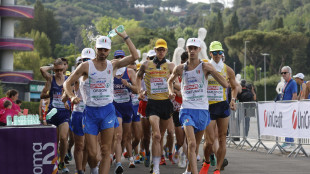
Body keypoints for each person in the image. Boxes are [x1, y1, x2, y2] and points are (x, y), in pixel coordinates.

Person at [64, 28, 138, 174]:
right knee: (92, 154)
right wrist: (72, 96)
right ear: (96, 49)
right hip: (90, 112)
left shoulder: (113, 65)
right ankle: (93, 169)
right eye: (100, 49)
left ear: (109, 50)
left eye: (105, 50)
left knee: (105, 150)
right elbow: (67, 83)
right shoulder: (86, 66)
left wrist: (125, 37)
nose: (102, 52)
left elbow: (135, 56)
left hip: (108, 111)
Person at [168, 38, 228, 174]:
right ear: (187, 49)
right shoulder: (180, 68)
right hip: (187, 109)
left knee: (195, 147)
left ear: (199, 50)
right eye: (190, 48)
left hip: (202, 110)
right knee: (192, 143)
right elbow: (170, 80)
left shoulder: (205, 67)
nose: (192, 51)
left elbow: (225, 84)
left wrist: (212, 70)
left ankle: (189, 170)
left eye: (195, 48)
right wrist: (171, 91)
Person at [136, 39, 175, 174]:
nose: (161, 52)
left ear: (166, 51)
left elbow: (179, 80)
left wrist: (173, 91)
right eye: (158, 49)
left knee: (162, 135)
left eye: (163, 50)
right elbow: (138, 77)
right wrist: (139, 92)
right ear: (155, 50)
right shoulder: (146, 64)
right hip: (152, 103)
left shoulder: (171, 66)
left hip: (166, 103)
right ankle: (157, 169)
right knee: (156, 135)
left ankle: (156, 162)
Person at [201, 41, 238, 174]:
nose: (218, 55)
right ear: (210, 53)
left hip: (222, 105)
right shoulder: (205, 67)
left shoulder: (228, 69)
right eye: (215, 53)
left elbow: (235, 87)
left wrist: (233, 99)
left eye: (220, 53)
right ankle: (206, 161)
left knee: (222, 138)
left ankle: (217, 169)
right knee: (210, 141)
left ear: (223, 53)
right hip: (208, 106)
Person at [40, 58, 71, 173]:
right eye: (56, 70)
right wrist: (52, 67)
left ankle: (62, 162)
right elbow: (42, 69)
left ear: (64, 68)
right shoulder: (50, 79)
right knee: (54, 141)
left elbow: (70, 94)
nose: (58, 72)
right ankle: (54, 163)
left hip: (64, 113)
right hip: (52, 112)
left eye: (60, 70)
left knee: (63, 138)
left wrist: (68, 101)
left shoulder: (68, 80)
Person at [112, 49, 139, 172]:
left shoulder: (130, 72)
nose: (119, 59)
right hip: (115, 107)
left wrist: (127, 84)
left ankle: (128, 157)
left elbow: (137, 90)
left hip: (127, 107)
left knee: (126, 136)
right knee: (118, 135)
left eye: (121, 57)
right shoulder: (110, 71)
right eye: (117, 57)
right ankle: (118, 163)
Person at [280, 66, 297, 148]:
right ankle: (290, 141)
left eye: (285, 73)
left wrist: (292, 107)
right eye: (282, 73)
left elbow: (294, 95)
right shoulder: (285, 83)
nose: (283, 74)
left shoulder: (292, 83)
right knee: (286, 125)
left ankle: (288, 142)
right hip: (285, 107)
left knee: (288, 125)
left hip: (289, 107)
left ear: (289, 73)